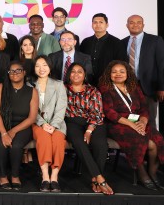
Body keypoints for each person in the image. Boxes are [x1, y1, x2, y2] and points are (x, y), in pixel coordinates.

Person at [100, 60, 164, 190]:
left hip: (137, 122)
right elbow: (109, 112)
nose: (118, 74)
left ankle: (152, 172)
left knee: (158, 140)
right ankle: (142, 173)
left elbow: (144, 108)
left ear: (128, 73)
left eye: (122, 71)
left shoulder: (134, 87)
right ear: (109, 74)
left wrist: (142, 122)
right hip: (116, 124)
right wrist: (131, 124)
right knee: (139, 140)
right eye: (114, 72)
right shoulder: (105, 87)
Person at [64, 62, 113, 195]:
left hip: (94, 123)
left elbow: (97, 113)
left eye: (80, 71)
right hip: (72, 122)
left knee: (101, 145)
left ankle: (94, 178)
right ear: (68, 75)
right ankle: (99, 178)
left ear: (85, 75)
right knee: (80, 143)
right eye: (73, 71)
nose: (76, 74)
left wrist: (89, 130)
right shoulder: (63, 89)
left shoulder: (93, 90)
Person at [0, 60, 38, 190]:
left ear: (24, 73)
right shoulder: (1, 88)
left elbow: (32, 118)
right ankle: (2, 176)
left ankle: (15, 175)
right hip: (3, 124)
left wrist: (12, 132)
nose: (14, 73)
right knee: (1, 145)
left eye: (18, 70)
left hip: (23, 126)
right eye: (11, 71)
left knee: (17, 145)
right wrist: (3, 133)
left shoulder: (32, 91)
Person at [122, 14, 164, 130]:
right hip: (128, 87)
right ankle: (136, 144)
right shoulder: (122, 42)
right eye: (131, 22)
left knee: (149, 118)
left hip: (149, 87)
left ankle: (154, 146)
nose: (135, 25)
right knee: (132, 118)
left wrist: (162, 87)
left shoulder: (155, 40)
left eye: (138, 22)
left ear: (143, 24)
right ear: (127, 25)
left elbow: (161, 65)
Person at [32, 56, 67, 192]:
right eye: (38, 66)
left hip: (57, 123)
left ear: (50, 67)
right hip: (37, 123)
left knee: (58, 140)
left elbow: (61, 106)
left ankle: (54, 177)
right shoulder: (30, 85)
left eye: (45, 65)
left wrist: (54, 124)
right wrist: (42, 123)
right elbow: (30, 109)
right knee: (44, 138)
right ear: (34, 68)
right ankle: (45, 177)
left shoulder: (58, 84)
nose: (41, 69)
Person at [80, 13, 126, 86]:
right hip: (87, 83)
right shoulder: (85, 42)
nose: (98, 25)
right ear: (92, 25)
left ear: (107, 25)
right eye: (95, 22)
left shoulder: (116, 42)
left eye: (101, 22)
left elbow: (121, 63)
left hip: (108, 83)